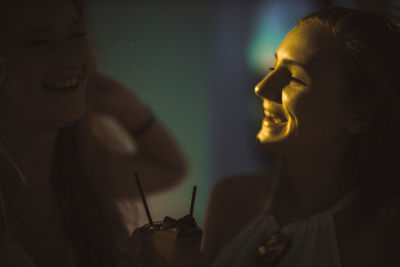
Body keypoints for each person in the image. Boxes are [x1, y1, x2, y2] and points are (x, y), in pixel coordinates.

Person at [202, 6, 400, 267]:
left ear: (358, 116)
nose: (261, 87)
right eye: (273, 66)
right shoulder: (230, 200)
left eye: (294, 78)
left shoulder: (384, 235)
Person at [0, 0, 187, 266]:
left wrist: (126, 104)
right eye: (39, 41)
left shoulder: (80, 172)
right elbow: (170, 167)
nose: (72, 56)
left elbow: (171, 168)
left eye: (77, 34)